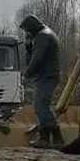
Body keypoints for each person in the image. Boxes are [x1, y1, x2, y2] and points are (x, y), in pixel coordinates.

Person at [19, 14, 62, 148]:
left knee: (40, 106)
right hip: (47, 75)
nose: (26, 33)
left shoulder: (43, 36)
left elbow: (37, 59)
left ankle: (49, 138)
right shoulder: (43, 34)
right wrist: (28, 47)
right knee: (42, 106)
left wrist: (26, 75)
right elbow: (32, 58)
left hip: (48, 76)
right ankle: (54, 139)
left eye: (27, 30)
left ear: (32, 27)